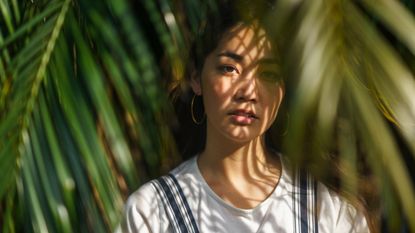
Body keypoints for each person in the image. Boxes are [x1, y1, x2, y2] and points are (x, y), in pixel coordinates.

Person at [120, 1, 371, 232]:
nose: (249, 92)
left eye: (268, 74)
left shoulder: (330, 212)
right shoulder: (151, 212)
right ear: (196, 76)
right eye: (229, 68)